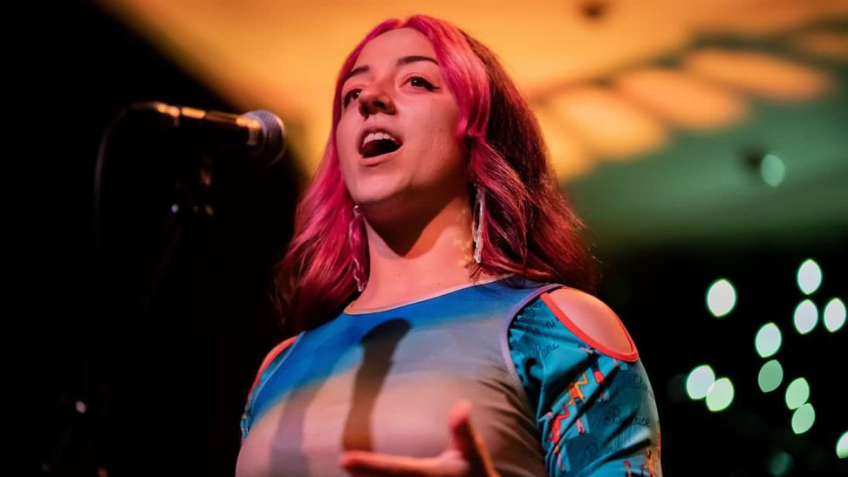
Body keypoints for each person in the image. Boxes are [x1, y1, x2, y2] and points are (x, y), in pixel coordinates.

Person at [236, 15, 661, 477]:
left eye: (416, 81)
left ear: (478, 134)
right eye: (352, 95)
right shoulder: (277, 368)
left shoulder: (556, 331)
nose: (370, 101)